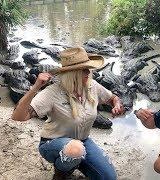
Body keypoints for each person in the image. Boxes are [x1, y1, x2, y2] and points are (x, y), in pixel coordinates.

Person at [11, 47, 125, 180]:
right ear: (71, 73)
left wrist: (116, 105)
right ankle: (60, 174)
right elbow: (18, 117)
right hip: (52, 142)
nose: (88, 72)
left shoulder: (92, 86)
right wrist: (35, 88)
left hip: (83, 141)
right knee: (75, 150)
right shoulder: (53, 92)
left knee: (108, 177)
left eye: (88, 68)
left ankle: (75, 161)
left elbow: (113, 98)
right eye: (83, 69)